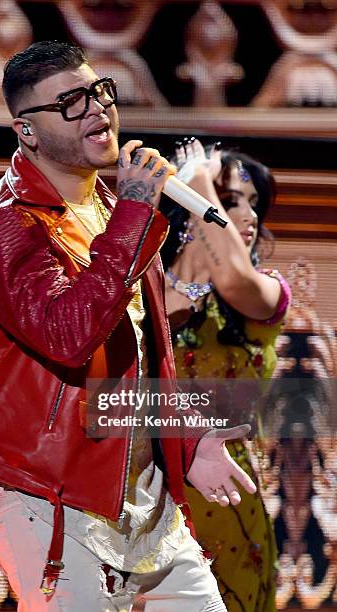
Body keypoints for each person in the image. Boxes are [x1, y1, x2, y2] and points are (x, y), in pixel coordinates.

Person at [0, 41, 257, 612]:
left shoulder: (115, 211)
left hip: (141, 499)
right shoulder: (2, 228)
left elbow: (139, 361)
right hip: (44, 492)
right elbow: (68, 334)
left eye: (98, 93)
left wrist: (188, 439)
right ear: (27, 130)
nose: (95, 110)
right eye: (68, 102)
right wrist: (136, 214)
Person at [160, 141, 291, 612]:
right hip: (145, 501)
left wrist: (196, 177)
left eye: (255, 204)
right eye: (232, 200)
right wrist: (194, 187)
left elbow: (233, 279)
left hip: (232, 511)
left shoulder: (266, 295)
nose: (250, 216)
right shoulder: (140, 290)